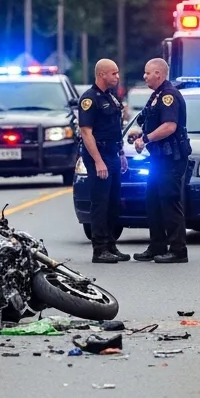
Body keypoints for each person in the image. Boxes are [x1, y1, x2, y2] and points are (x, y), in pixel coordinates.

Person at [131, 57, 190, 263]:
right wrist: (140, 133)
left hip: (171, 158)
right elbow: (151, 120)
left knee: (169, 201)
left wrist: (145, 139)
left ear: (159, 74)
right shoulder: (157, 95)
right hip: (159, 158)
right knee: (153, 201)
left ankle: (178, 250)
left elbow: (169, 127)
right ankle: (157, 246)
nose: (144, 76)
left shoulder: (169, 96)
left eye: (148, 72)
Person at [78, 58, 129, 264]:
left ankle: (110, 245)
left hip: (113, 154)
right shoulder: (90, 99)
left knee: (113, 202)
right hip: (98, 155)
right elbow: (86, 132)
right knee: (100, 203)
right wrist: (98, 161)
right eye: (114, 73)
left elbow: (114, 131)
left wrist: (121, 153)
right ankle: (99, 249)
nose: (117, 77)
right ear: (102, 75)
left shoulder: (111, 98)